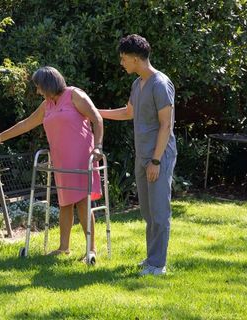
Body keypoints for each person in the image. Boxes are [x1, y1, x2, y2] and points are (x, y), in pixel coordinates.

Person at [0, 66, 104, 258]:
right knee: (65, 203)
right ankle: (64, 247)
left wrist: (98, 146)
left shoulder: (74, 95)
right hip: (61, 160)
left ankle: (91, 249)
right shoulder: (47, 104)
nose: (38, 91)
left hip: (81, 157)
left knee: (82, 202)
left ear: (48, 84)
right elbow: (26, 124)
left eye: (39, 87)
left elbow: (97, 119)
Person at [99, 34, 177, 275]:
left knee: (159, 211)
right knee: (146, 209)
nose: (121, 63)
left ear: (135, 58)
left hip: (158, 156)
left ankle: (158, 265)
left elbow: (166, 125)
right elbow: (127, 113)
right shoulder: (137, 84)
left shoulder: (160, 84)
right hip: (142, 154)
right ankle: (152, 258)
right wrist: (94, 112)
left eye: (123, 58)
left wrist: (155, 160)